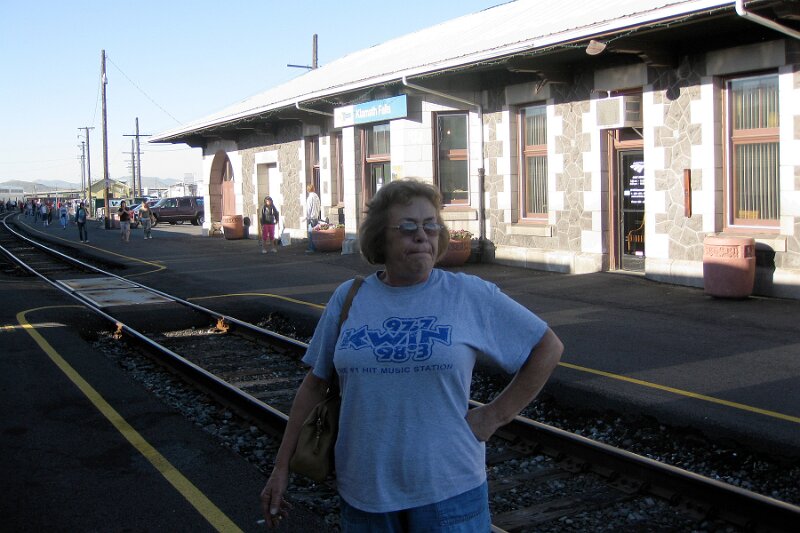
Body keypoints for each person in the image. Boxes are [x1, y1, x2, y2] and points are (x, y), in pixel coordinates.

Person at [260, 179, 564, 531]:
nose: (422, 236)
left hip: (450, 493)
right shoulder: (350, 297)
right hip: (365, 496)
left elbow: (547, 347)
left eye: (430, 225)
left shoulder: (468, 294)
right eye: (407, 227)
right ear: (381, 237)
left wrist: (494, 416)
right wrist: (281, 466)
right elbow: (315, 385)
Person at [304, 184, 321, 253]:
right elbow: (319, 206)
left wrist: (307, 217)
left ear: (308, 190)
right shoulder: (316, 197)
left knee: (311, 233)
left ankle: (311, 248)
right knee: (316, 233)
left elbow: (309, 209)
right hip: (316, 216)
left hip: (311, 217)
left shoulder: (310, 198)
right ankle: (316, 246)